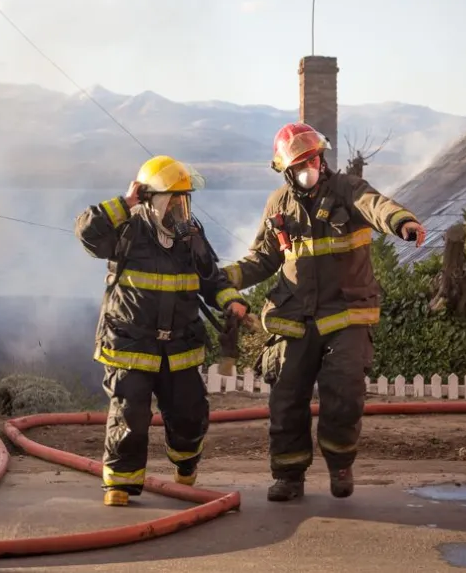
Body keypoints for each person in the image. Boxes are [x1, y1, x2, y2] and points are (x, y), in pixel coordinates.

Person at [220, 122, 425, 502]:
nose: (309, 168)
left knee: (345, 390)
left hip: (346, 313)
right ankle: (289, 476)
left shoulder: (348, 189)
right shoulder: (278, 204)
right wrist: (225, 276)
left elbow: (376, 206)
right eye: (300, 164)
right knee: (285, 397)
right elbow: (263, 258)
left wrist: (402, 222)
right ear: (286, 171)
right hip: (294, 317)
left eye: (313, 159)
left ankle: (340, 463)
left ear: (322, 158)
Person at [75, 155, 249, 507]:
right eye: (173, 200)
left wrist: (231, 302)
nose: (180, 210)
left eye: (184, 201)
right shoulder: (127, 230)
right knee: (129, 414)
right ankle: (119, 485)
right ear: (151, 200)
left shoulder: (191, 237)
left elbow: (211, 278)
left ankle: (185, 465)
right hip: (131, 343)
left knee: (189, 413)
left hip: (180, 346)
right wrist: (124, 204)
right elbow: (86, 232)